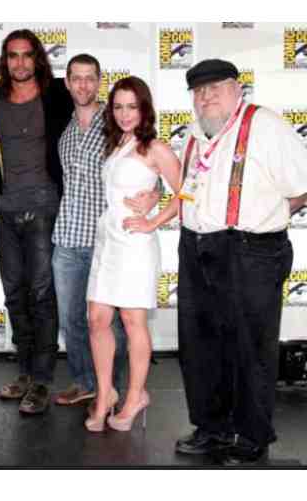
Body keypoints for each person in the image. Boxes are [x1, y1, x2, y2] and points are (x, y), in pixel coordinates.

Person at [174, 59, 307, 465]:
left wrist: (269, 215)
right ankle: (211, 427)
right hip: (196, 245)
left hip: (251, 249)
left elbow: (302, 184)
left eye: (215, 88)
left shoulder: (265, 125)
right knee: (200, 344)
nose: (206, 97)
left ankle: (251, 435)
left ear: (237, 89)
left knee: (251, 347)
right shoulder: (195, 132)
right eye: (199, 91)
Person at [0, 29, 72, 414]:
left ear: (37, 58)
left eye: (27, 55)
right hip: (5, 210)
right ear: (5, 60)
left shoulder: (57, 93)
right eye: (13, 55)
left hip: (44, 206)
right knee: (14, 294)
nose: (20, 62)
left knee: (42, 294)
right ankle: (26, 372)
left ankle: (43, 379)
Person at [52, 54, 157, 407]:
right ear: (67, 83)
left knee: (115, 324)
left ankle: (122, 387)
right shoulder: (63, 127)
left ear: (99, 82)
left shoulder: (116, 125)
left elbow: (147, 165)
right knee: (72, 321)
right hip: (67, 238)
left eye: (89, 78)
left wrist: (154, 194)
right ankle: (86, 382)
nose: (83, 85)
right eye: (76, 78)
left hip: (108, 241)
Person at [85, 76, 181, 432]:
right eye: (118, 107)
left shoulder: (155, 148)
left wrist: (153, 220)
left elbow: (187, 192)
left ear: (145, 109)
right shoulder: (116, 144)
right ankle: (105, 394)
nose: (125, 114)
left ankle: (135, 396)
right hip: (108, 239)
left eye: (132, 107)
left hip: (136, 245)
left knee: (131, 320)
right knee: (97, 319)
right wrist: (153, 195)